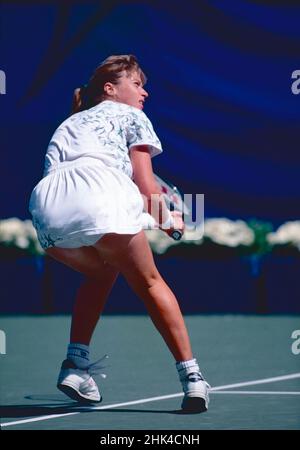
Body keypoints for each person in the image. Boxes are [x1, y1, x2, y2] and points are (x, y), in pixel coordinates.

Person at [29, 54, 210, 413]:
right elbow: (145, 185)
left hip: (48, 208)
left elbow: (76, 185)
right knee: (150, 282)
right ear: (110, 89)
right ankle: (193, 379)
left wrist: (146, 210)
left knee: (102, 271)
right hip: (98, 196)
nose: (145, 93)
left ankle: (75, 364)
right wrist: (167, 220)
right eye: (138, 84)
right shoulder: (132, 116)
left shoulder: (68, 124)